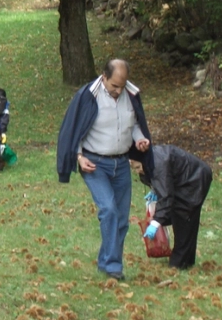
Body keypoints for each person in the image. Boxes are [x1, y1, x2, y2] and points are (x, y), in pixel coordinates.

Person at [57, 59, 154, 280]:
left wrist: (139, 140)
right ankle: (113, 267)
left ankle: (105, 261)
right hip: (94, 164)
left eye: (122, 85)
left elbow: (136, 124)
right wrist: (79, 157)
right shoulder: (88, 96)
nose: (118, 91)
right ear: (104, 77)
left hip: (120, 164)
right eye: (114, 86)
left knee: (121, 219)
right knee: (109, 210)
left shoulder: (130, 96)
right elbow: (75, 128)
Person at [130, 145, 212, 270]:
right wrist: (155, 191)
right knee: (179, 217)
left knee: (184, 217)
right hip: (182, 180)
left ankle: (179, 263)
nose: (137, 171)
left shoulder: (158, 163)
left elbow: (166, 196)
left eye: (138, 167)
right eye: (134, 168)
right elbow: (163, 185)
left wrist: (156, 222)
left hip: (194, 180)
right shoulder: (149, 160)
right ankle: (185, 261)